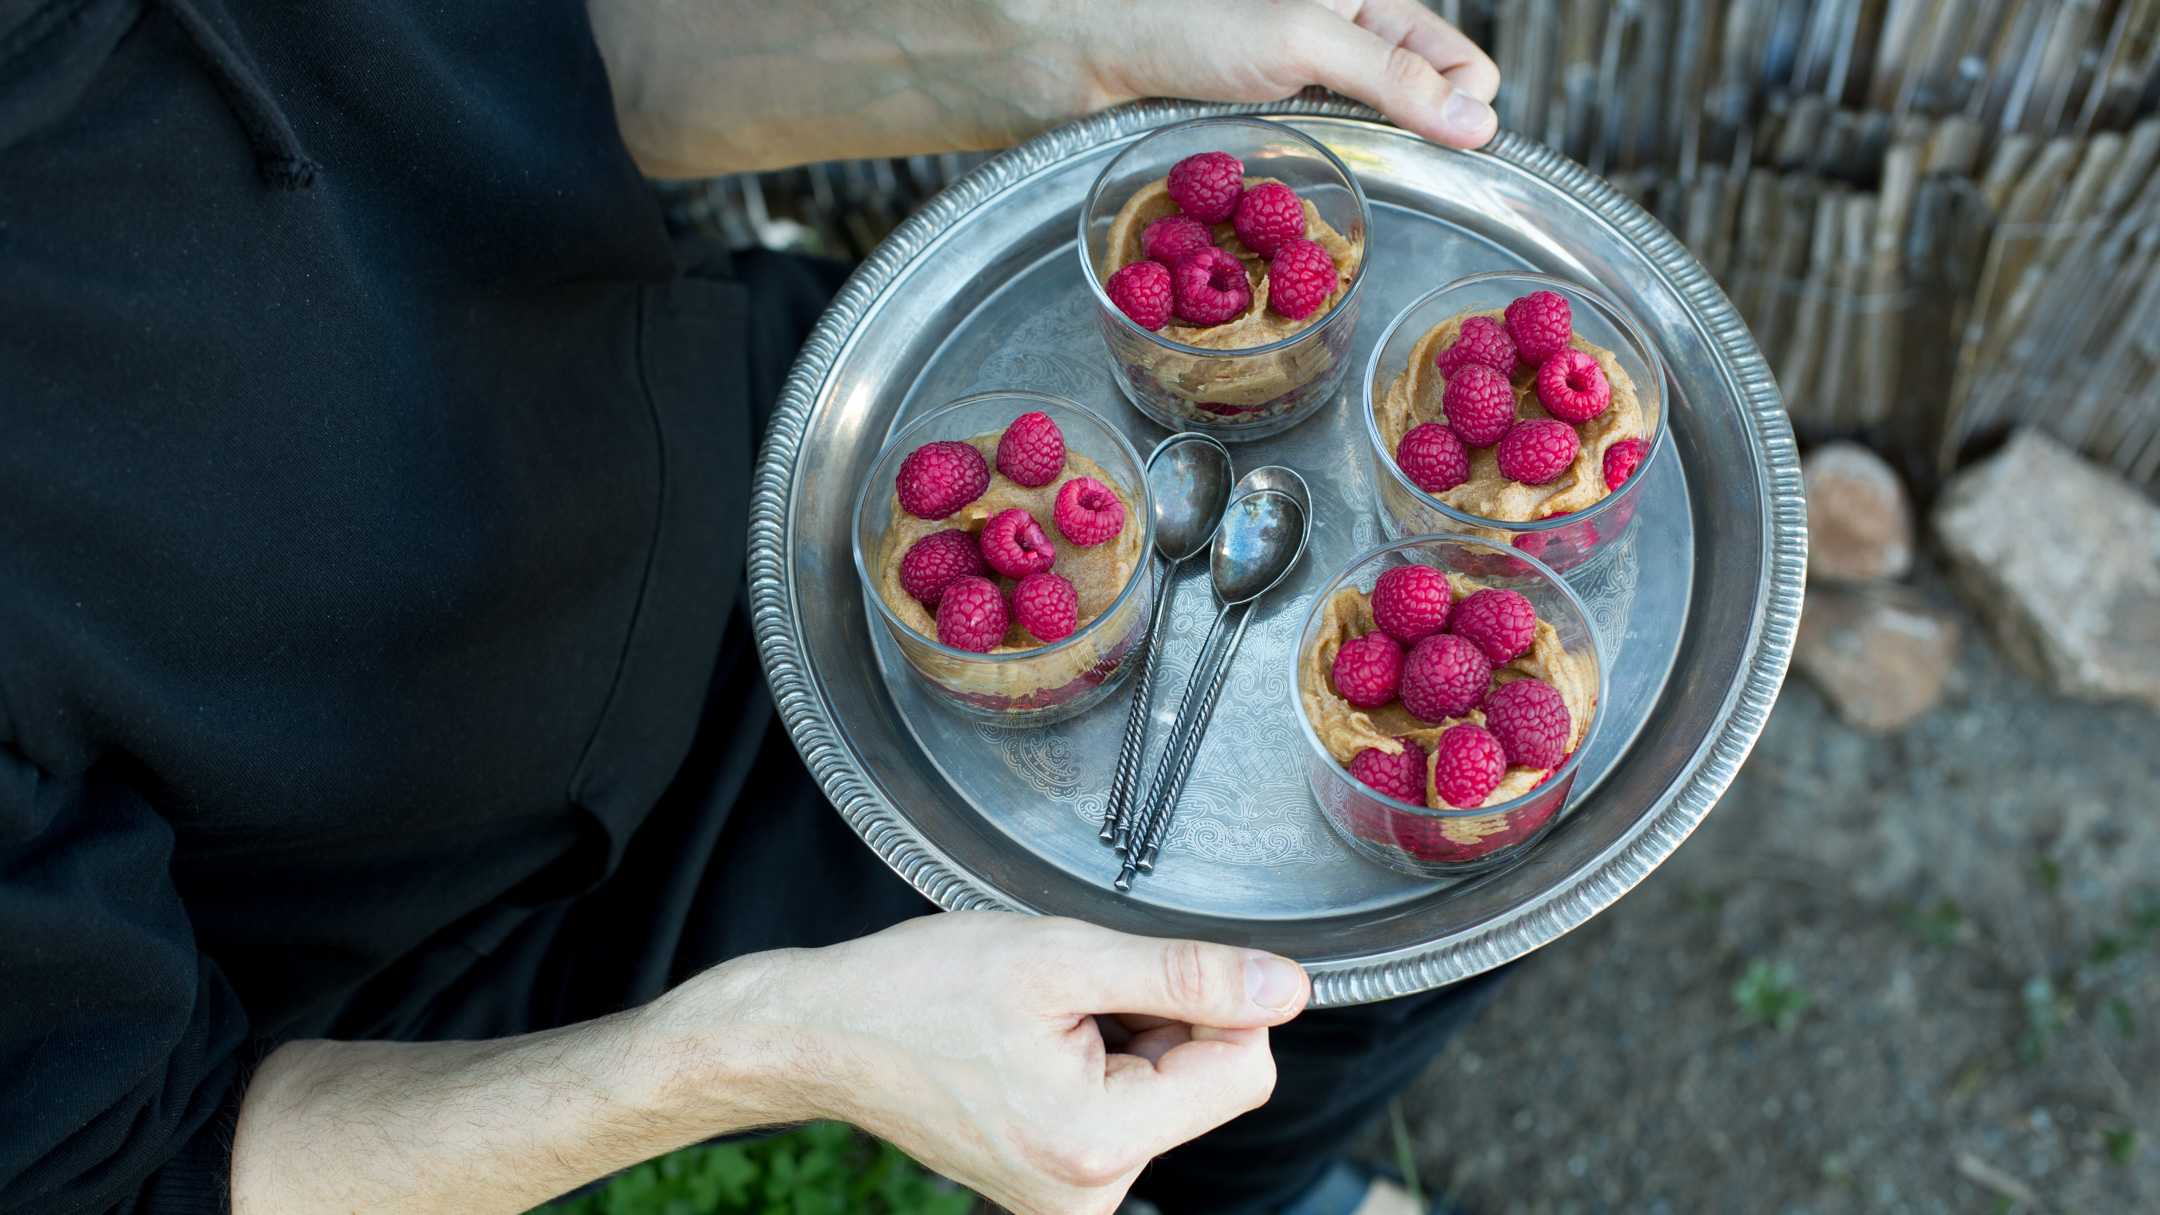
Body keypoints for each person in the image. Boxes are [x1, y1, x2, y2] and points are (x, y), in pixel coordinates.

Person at [0, 2, 1502, 1213]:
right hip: (504, 897)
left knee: (1451, 880)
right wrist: (766, 1054)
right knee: (1266, 974)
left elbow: (551, 56)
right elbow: (128, 1170)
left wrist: (1053, 38)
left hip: (771, 453)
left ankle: (1257, 1184)